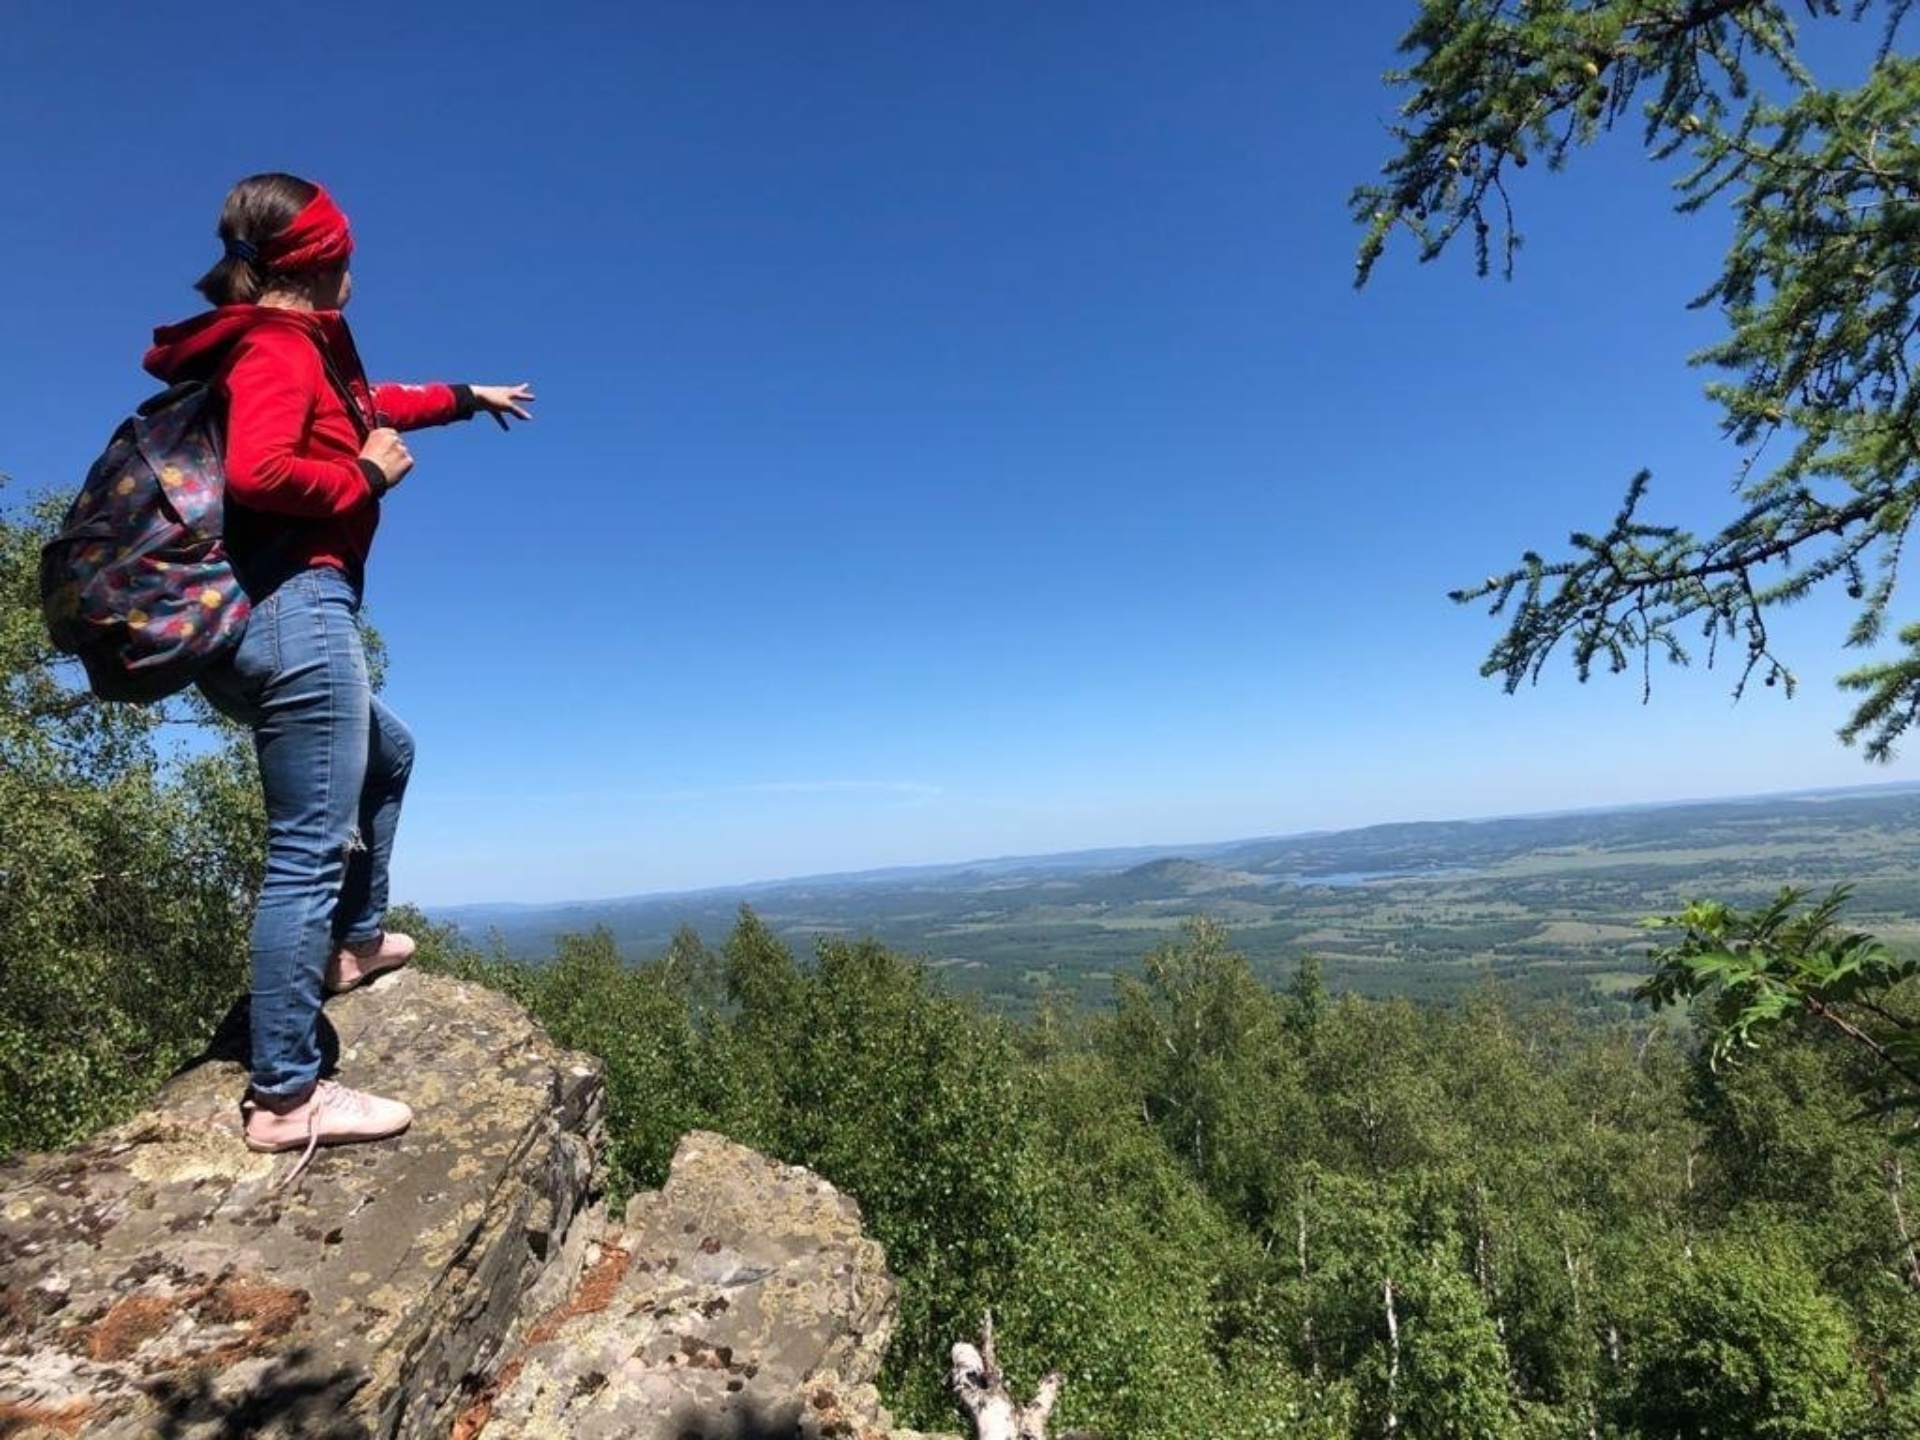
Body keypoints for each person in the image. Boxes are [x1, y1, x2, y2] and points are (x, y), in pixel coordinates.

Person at [143, 173, 533, 1170]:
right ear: (320, 265)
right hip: (293, 612)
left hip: (280, 617)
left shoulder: (293, 347)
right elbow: (262, 471)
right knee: (307, 848)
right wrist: (366, 476)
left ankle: (353, 946)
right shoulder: (276, 347)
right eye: (348, 258)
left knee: (390, 757)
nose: (358, 271)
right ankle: (284, 1092)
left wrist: (461, 399)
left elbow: (369, 403)